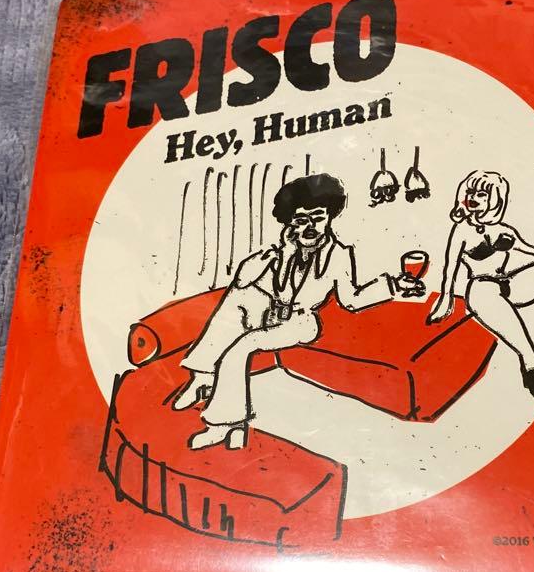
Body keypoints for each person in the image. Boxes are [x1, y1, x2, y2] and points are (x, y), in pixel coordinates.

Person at [175, 173, 423, 450]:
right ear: (291, 223)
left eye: (317, 218)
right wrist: (278, 253)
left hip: (300, 322)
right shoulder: (283, 249)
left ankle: (226, 425)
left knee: (243, 344)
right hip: (271, 313)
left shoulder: (339, 254)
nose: (310, 227)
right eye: (301, 220)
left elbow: (351, 299)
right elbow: (242, 281)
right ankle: (202, 376)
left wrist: (393, 286)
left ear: (329, 217)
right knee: (238, 300)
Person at [428, 170, 534, 449]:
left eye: (482, 194)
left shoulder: (504, 229)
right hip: (483, 291)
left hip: (510, 283)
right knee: (528, 353)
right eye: (471, 193)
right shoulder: (462, 229)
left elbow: (532, 253)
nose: (474, 198)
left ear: (494, 199)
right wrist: (446, 299)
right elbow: (450, 268)